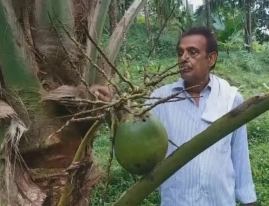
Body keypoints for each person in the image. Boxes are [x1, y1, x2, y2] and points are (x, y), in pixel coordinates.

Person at [90, 26, 257, 206]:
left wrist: (249, 200)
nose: (184, 58)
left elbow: (240, 158)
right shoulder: (159, 99)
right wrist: (113, 107)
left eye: (192, 52)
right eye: (180, 53)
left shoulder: (230, 99)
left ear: (211, 58)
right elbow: (131, 136)